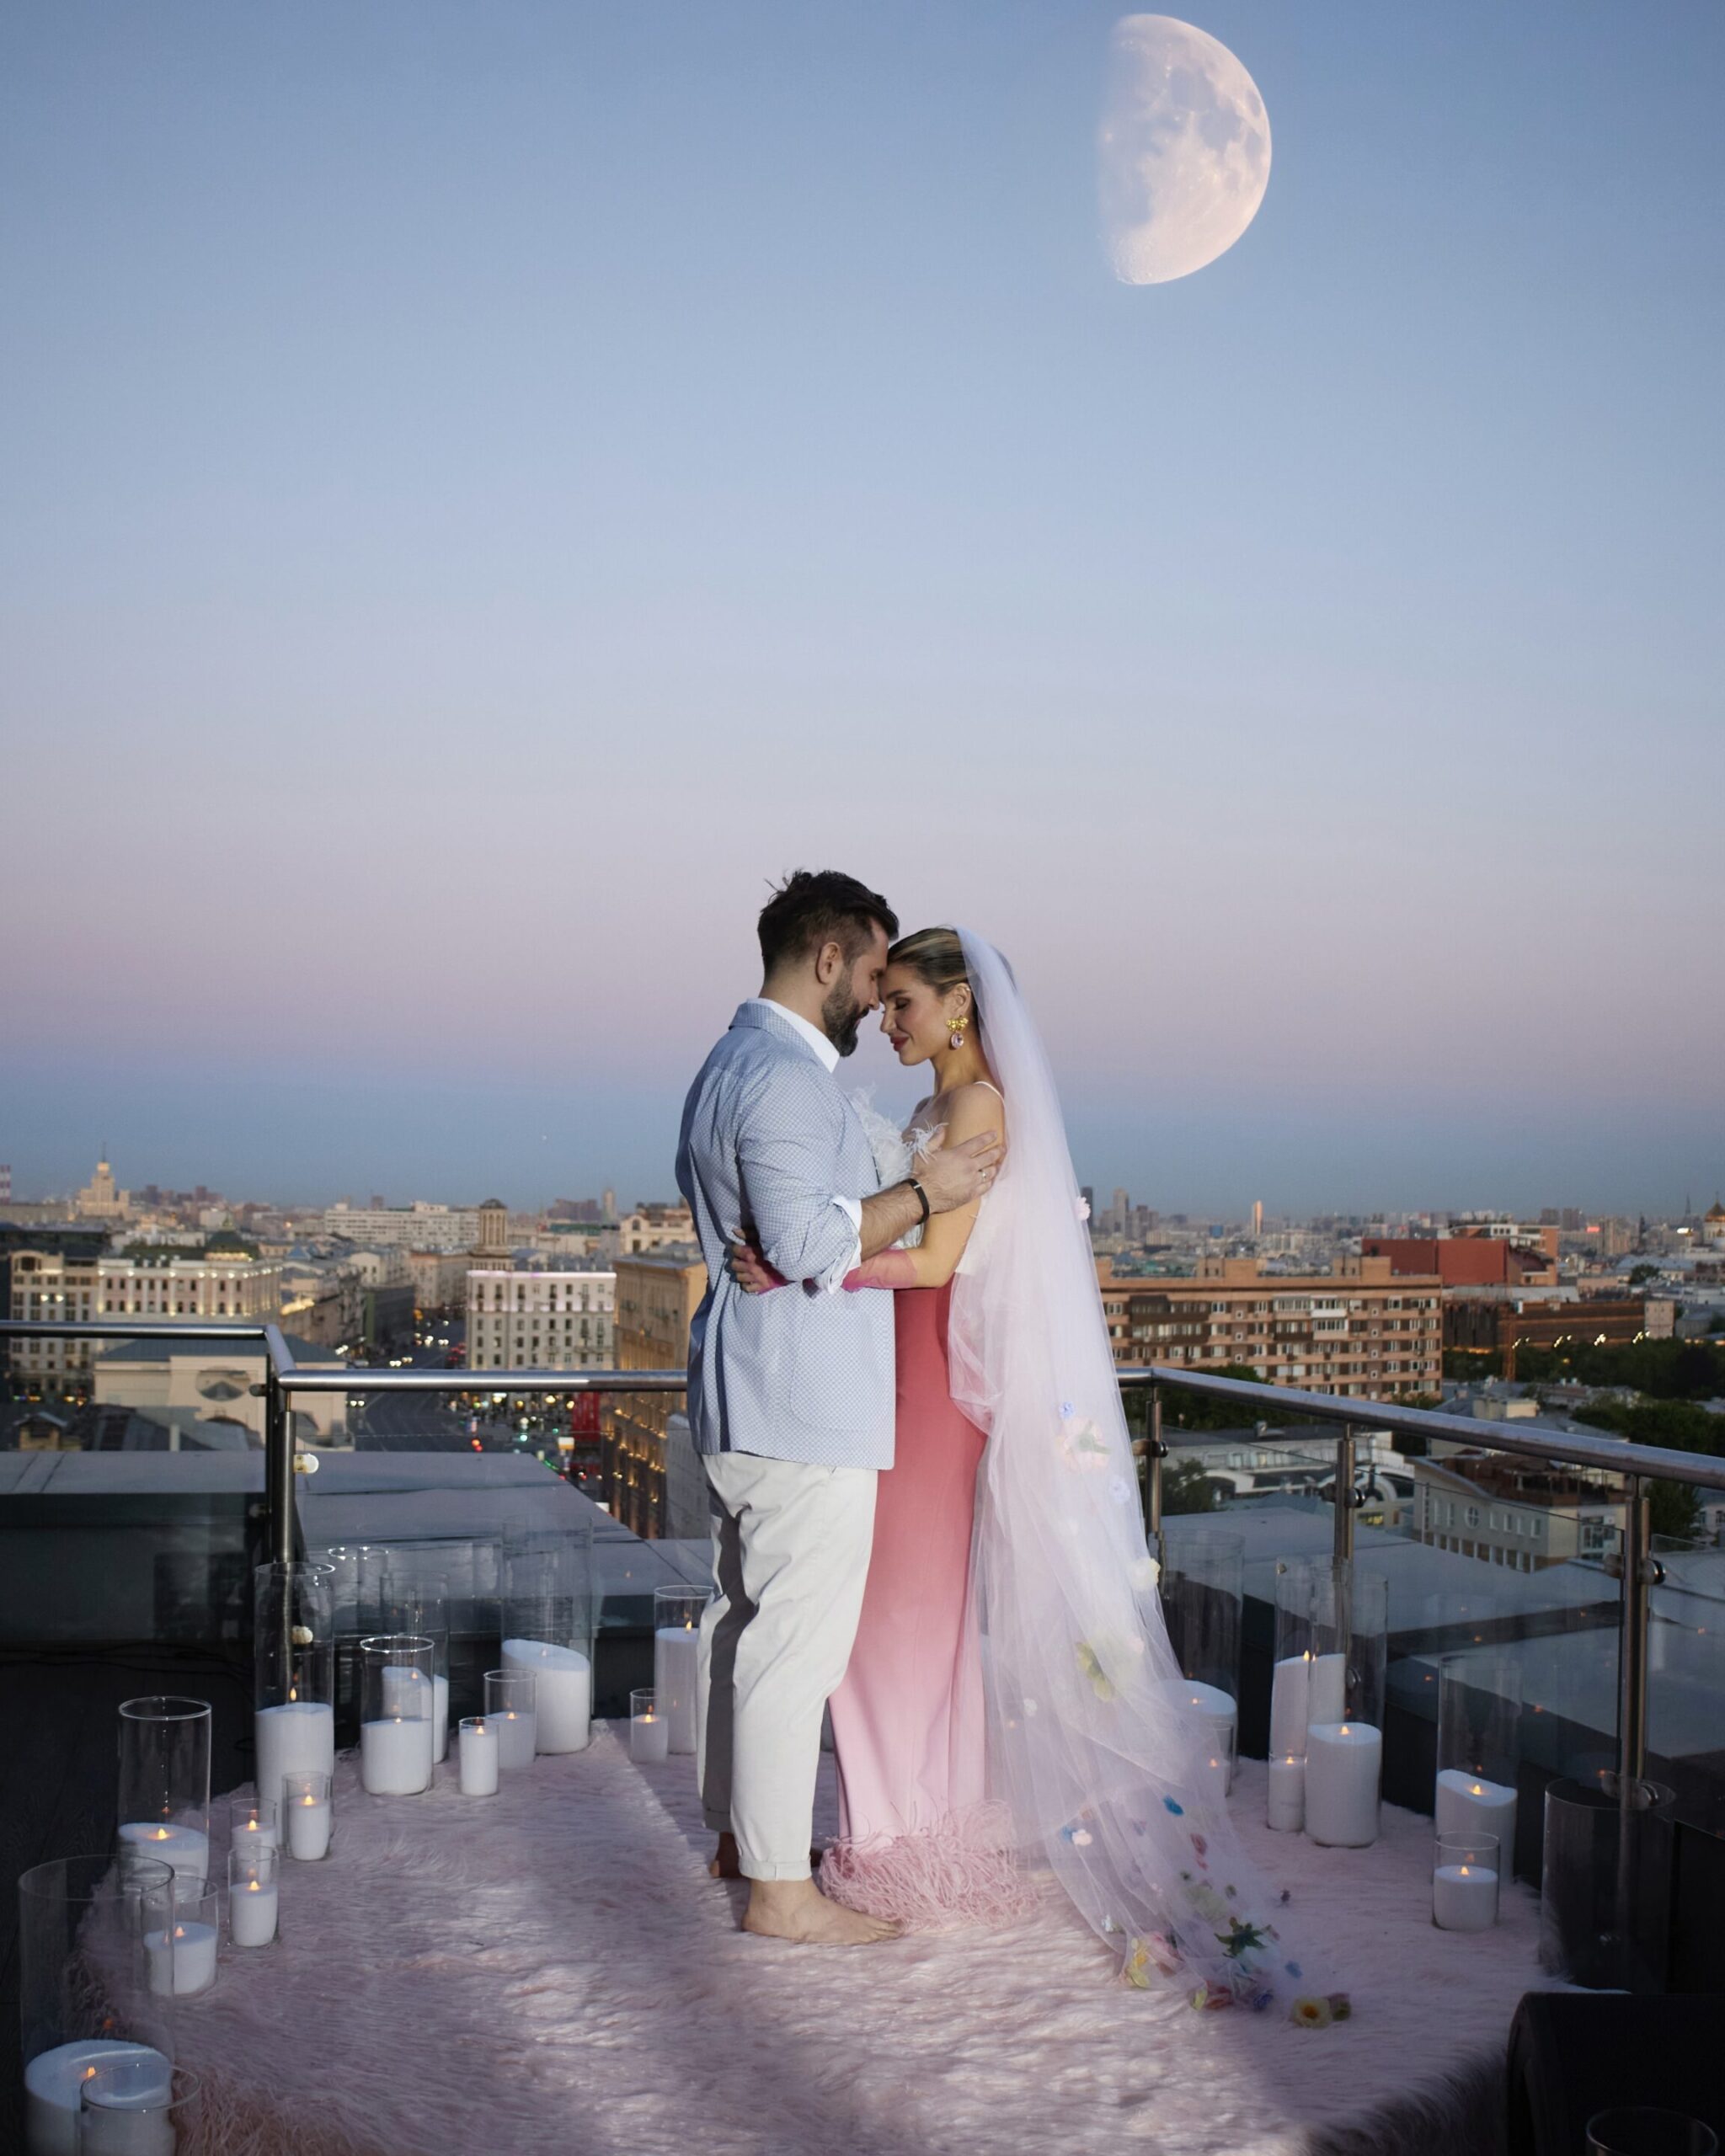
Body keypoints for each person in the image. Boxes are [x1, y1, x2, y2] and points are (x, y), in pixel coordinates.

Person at [730, 926, 1350, 2024]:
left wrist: (799, 1267)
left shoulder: (974, 1108)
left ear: (960, 1004)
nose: (886, 1019)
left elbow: (934, 1260)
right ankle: (900, 1827)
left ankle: (903, 1838)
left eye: (904, 1001)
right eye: (884, 1001)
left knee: (898, 1619)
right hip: (902, 1370)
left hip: (929, 1379)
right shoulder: (937, 1107)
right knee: (892, 1622)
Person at [674, 872, 1004, 1947]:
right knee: (793, 1647)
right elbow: (808, 1242)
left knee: (741, 1625)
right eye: (869, 972)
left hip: (747, 1393)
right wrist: (928, 1193)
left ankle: (740, 1839)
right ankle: (779, 1891)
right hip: (798, 1404)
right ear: (826, 959)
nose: (873, 997)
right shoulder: (782, 1076)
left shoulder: (729, 1063)